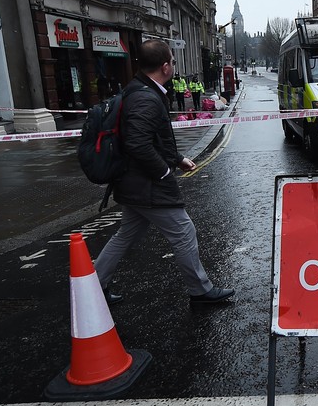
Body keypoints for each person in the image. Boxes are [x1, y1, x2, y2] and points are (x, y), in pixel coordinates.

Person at [94, 39, 235, 305]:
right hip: (146, 183)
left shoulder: (140, 89)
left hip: (132, 181)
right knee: (183, 231)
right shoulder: (146, 97)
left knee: (126, 234)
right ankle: (200, 291)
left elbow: (152, 137)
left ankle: (94, 286)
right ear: (165, 66)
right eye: (172, 60)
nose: (173, 65)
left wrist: (177, 158)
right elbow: (138, 142)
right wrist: (162, 172)